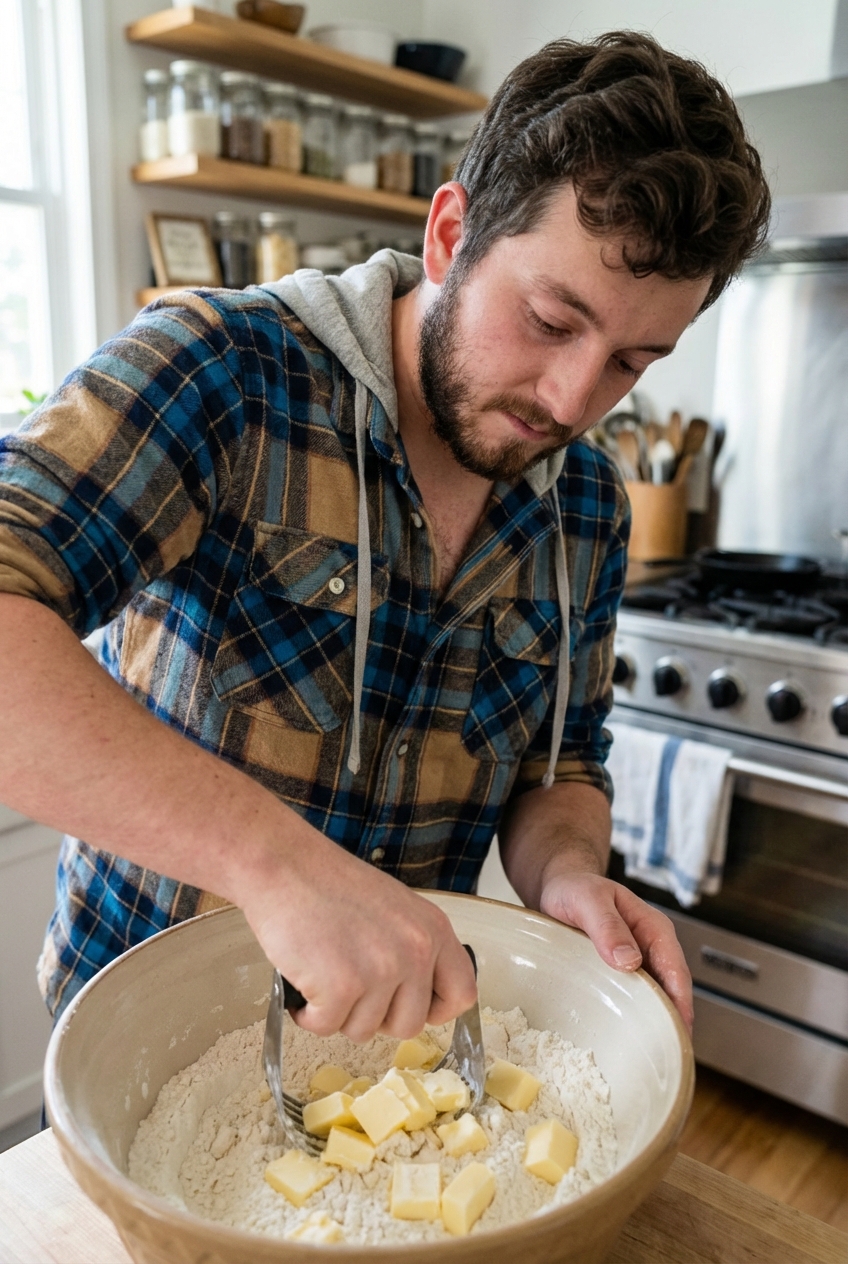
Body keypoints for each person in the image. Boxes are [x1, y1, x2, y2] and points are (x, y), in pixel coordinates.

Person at [0, 32, 769, 1042]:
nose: (572, 399)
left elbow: (561, 769)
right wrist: (277, 864)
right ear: (449, 235)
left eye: (630, 359)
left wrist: (571, 874)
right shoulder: (224, 375)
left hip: (392, 1055)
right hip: (142, 1043)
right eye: (548, 319)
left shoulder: (586, 504)